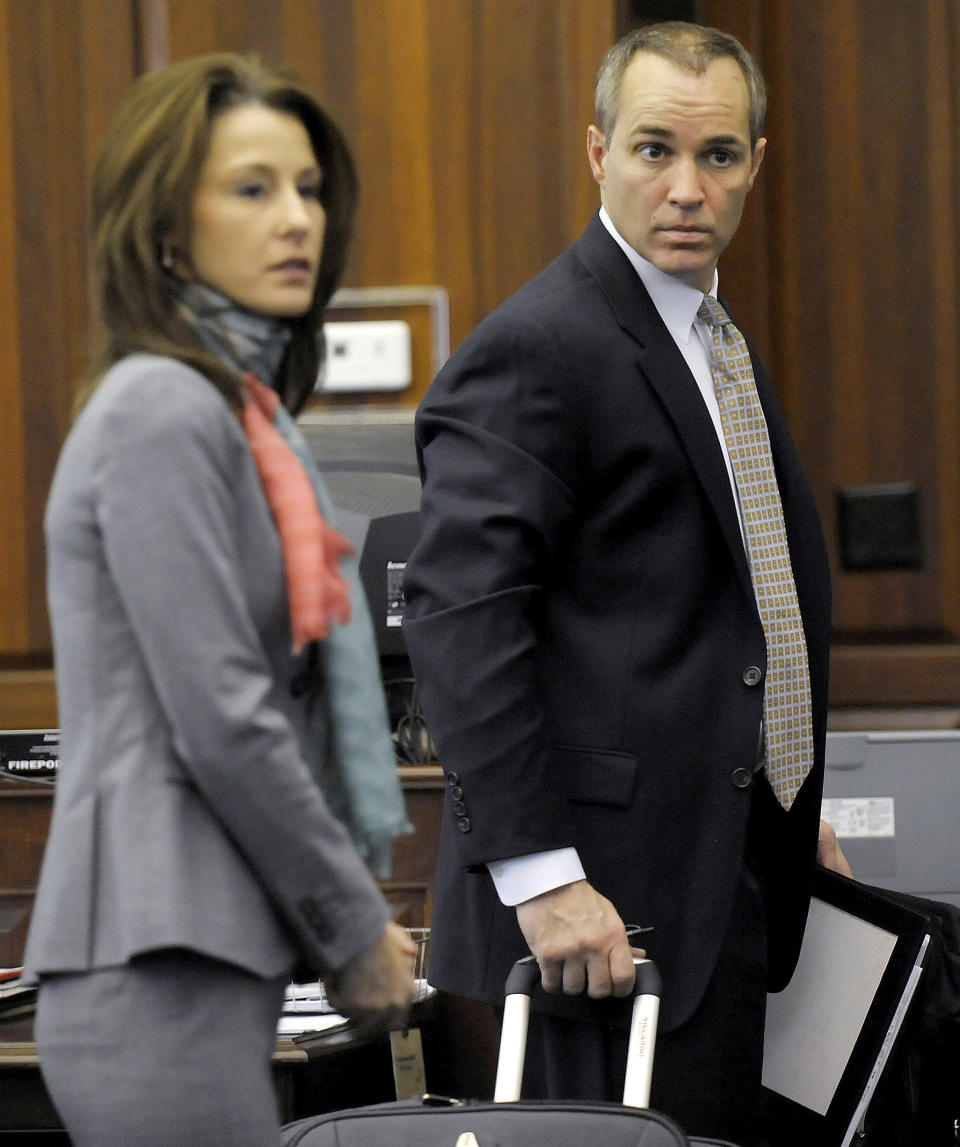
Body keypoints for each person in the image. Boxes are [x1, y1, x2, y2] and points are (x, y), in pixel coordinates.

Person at [403, 21, 848, 1146]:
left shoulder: (709, 335)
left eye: (719, 156)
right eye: (656, 150)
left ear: (758, 160)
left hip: (716, 885)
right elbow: (461, 620)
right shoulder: (542, 346)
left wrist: (792, 808)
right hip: (588, 928)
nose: (687, 188)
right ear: (598, 152)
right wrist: (545, 879)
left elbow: (723, 610)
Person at [22, 53, 417, 1146]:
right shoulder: (164, 407)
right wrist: (349, 928)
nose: (297, 217)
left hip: (192, 953)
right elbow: (224, 712)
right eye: (253, 188)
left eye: (308, 186)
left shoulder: (235, 410)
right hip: (150, 962)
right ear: (162, 226)